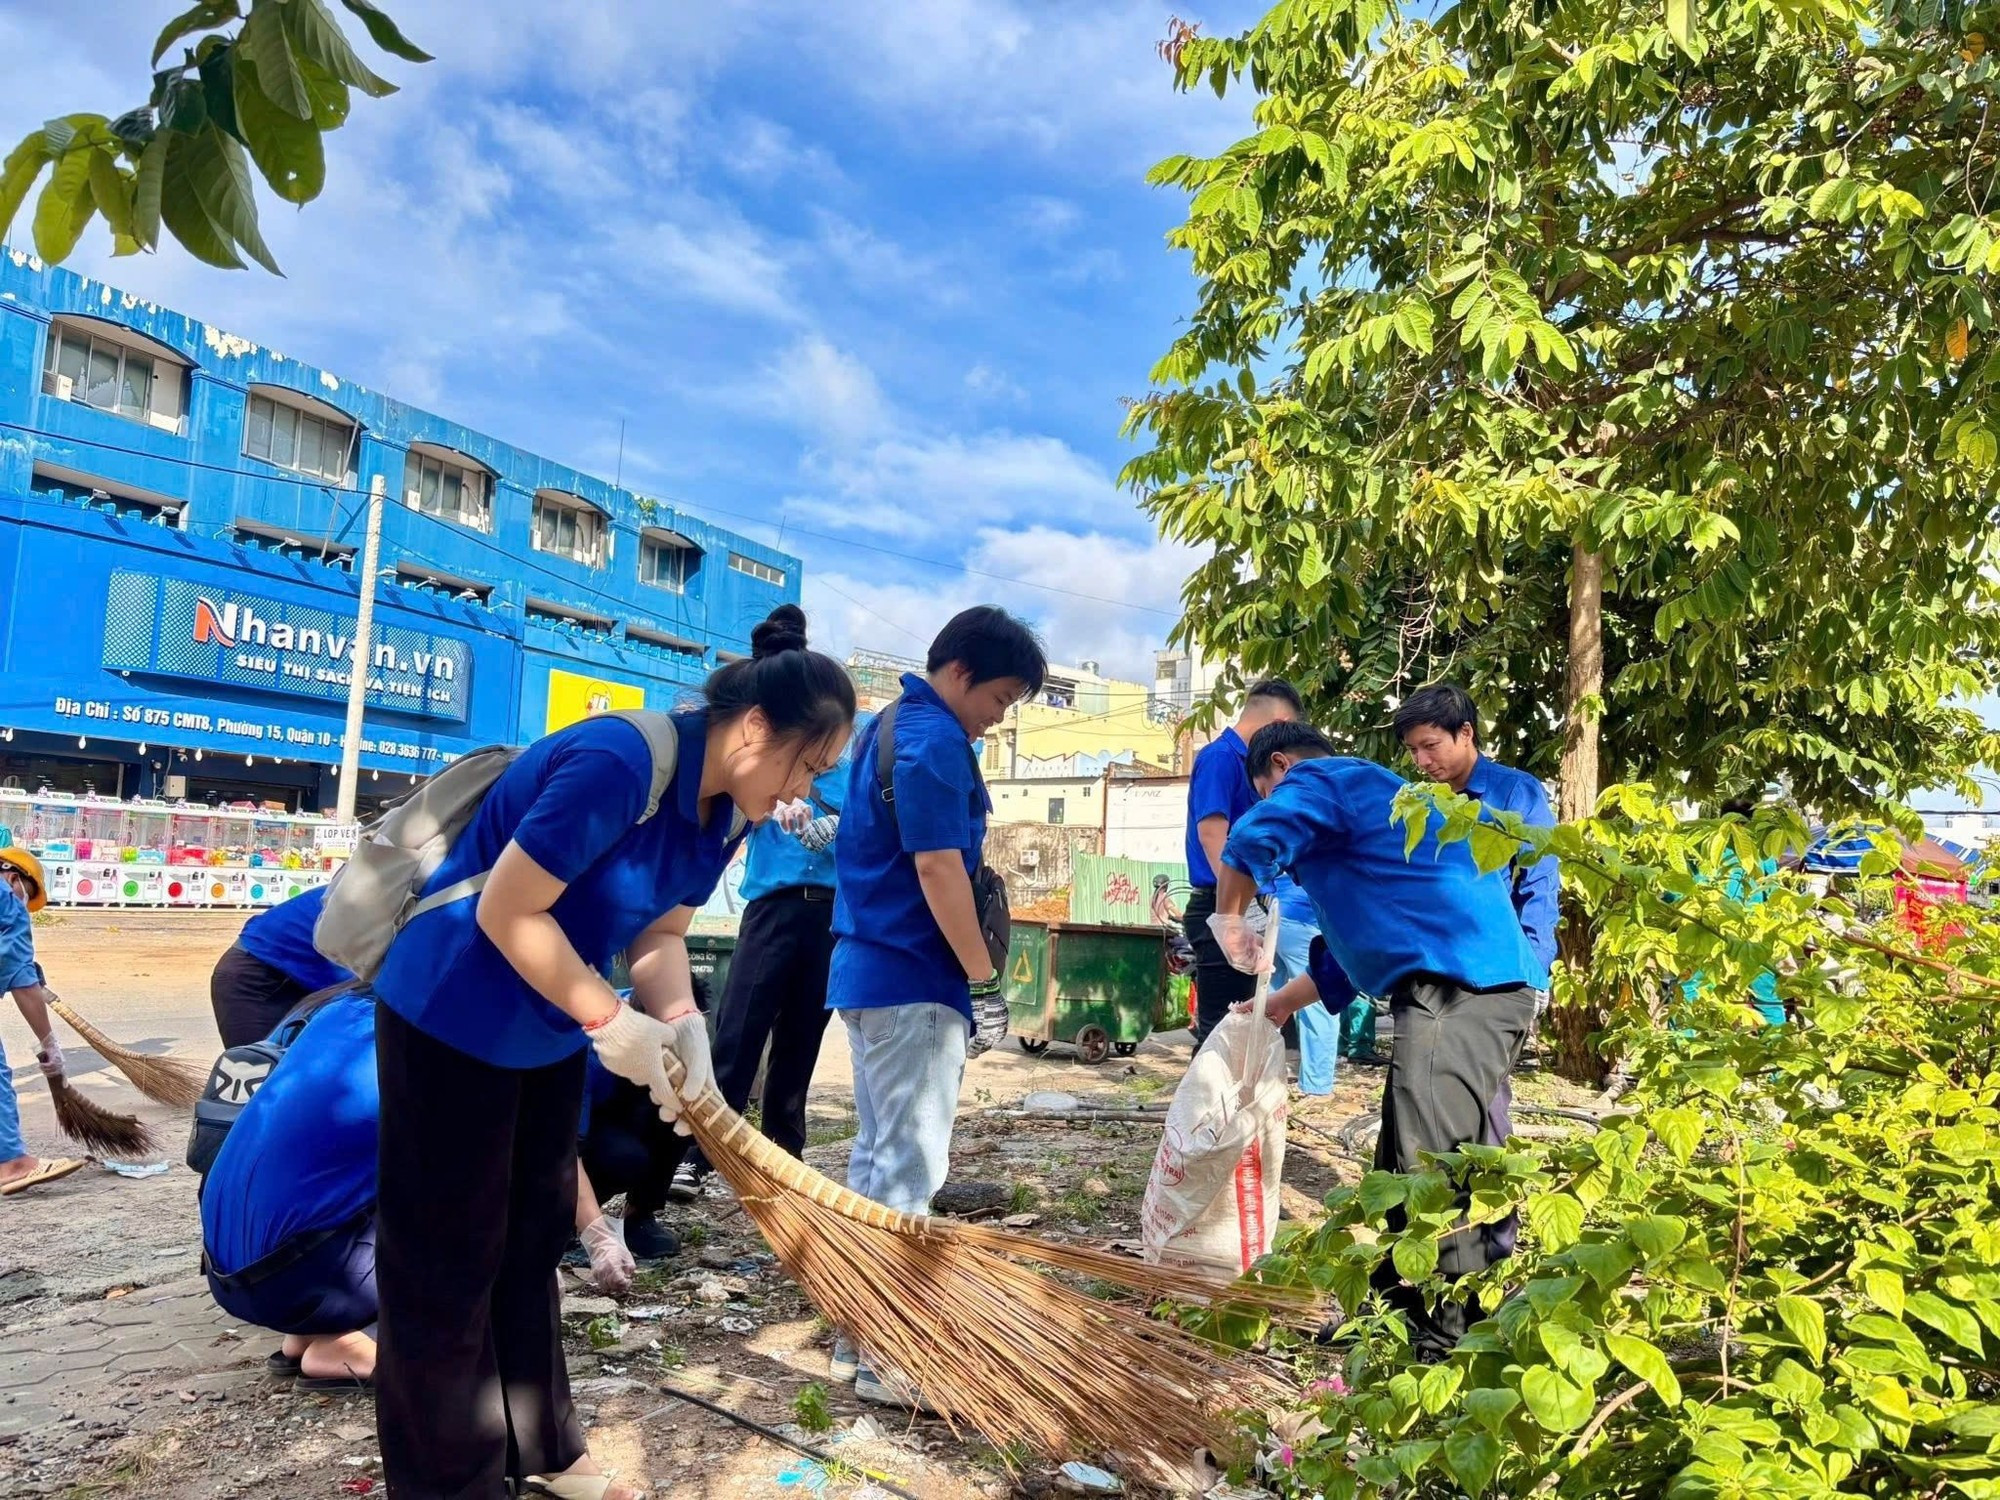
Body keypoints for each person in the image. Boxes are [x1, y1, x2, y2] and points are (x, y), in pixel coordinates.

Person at [368, 603, 855, 1500]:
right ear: (754, 729)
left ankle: (545, 1452)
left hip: (546, 1027)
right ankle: (448, 1482)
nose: (805, 796)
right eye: (807, 767)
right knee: (446, 1262)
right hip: (451, 1017)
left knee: (530, 1241)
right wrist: (613, 1026)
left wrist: (682, 1026)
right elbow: (505, 911)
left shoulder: (730, 813)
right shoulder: (617, 762)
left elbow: (661, 936)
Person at [1212, 721, 1545, 1361]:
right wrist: (1278, 1004)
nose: (1273, 804)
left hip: (1460, 985)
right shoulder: (1372, 817)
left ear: (1279, 767)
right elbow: (1343, 958)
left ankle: (1448, 1331)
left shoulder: (1323, 778)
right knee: (1399, 1156)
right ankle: (1389, 1314)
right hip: (1458, 983)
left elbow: (1254, 836)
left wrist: (1229, 916)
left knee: (1438, 1160)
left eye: (1265, 791)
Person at [826, 605, 1046, 1406]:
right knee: (909, 1169)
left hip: (869, 974)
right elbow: (939, 873)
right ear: (959, 673)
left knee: (875, 1161)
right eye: (999, 699)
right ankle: (891, 1358)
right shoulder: (932, 742)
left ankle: (856, 1339)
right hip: (912, 979)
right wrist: (985, 980)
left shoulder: (886, 728)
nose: (997, 719)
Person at [674, 731, 857, 1201]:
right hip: (772, 909)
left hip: (831, 916)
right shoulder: (778, 768)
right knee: (739, 1030)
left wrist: (844, 827)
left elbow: (878, 834)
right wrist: (774, 808)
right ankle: (702, 1153)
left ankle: (784, 1155)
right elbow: (738, 807)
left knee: (802, 1039)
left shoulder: (854, 778)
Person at [201, 986, 379, 1390]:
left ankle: (313, 1332)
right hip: (301, 1281)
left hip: (231, 1274)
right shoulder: (425, 1033)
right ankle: (357, 1344)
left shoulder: (335, 1010)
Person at [1182, 680, 1303, 1044]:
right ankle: (1205, 1102)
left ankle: (1230, 1102)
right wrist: (1234, 913)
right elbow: (1211, 835)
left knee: (1242, 1028)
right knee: (1220, 1032)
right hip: (1222, 906)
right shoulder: (1220, 758)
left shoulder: (1251, 764)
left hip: (1245, 906)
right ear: (1279, 723)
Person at [575, 981, 710, 1264]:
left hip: (624, 1106)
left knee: (680, 1114)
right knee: (624, 1159)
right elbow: (563, 1151)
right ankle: (562, 1218)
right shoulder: (591, 1050)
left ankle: (639, 1216)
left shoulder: (684, 1038)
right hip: (578, 1131)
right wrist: (595, 1233)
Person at [0, 849, 83, 1196]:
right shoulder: (7, 895)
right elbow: (21, 983)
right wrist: (49, 1045)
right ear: (16, 878)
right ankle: (12, 1165)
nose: (24, 904)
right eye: (27, 897)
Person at [210, 885, 354, 1048]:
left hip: (298, 977)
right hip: (256, 976)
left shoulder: (365, 887)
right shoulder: (366, 901)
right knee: (260, 1067)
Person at [1269, 872, 1336, 1096]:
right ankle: (1317, 1084)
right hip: (1305, 920)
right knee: (1321, 1002)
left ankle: (1259, 1072)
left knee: (1269, 999)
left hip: (1278, 918)